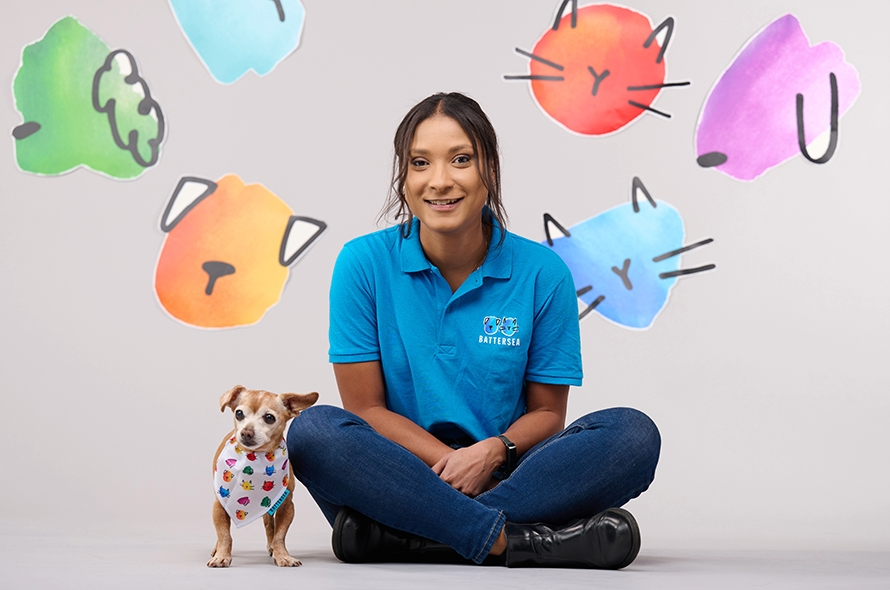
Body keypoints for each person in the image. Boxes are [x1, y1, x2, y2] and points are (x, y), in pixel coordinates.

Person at [287, 92, 661, 568]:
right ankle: (509, 541)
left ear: (490, 171)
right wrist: (452, 465)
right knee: (313, 432)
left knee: (633, 435)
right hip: (398, 475)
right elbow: (365, 410)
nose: (440, 180)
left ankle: (405, 538)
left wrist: (490, 453)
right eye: (420, 163)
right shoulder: (362, 263)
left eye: (461, 159)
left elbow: (548, 413)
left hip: (509, 474)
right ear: (404, 179)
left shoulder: (542, 272)